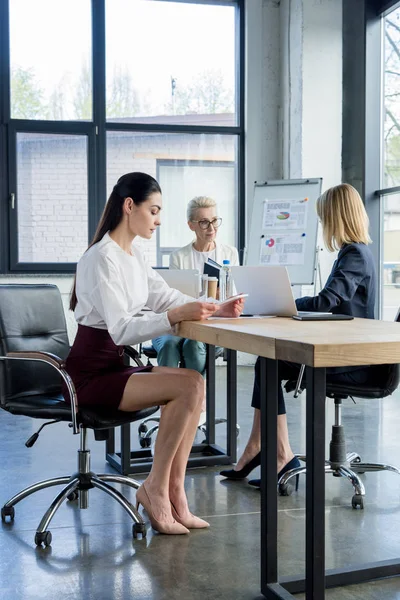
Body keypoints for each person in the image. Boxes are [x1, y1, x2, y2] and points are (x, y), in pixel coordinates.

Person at [66, 172, 244, 534]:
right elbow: (121, 329)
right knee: (186, 386)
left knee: (194, 383)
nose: (159, 220)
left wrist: (214, 306)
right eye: (154, 210)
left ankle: (174, 491)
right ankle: (155, 489)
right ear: (129, 206)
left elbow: (165, 296)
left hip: (116, 367)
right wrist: (176, 316)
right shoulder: (103, 258)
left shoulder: (133, 255)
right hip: (90, 377)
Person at [220, 183, 377, 488]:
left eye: (323, 218)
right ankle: (260, 447)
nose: (322, 225)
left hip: (355, 361)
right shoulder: (353, 252)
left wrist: (285, 304)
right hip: (344, 349)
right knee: (267, 361)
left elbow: (327, 301)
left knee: (269, 363)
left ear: (336, 217)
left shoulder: (355, 253)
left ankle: (278, 453)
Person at [152, 196, 239, 381]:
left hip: (209, 325)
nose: (211, 228)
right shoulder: (179, 257)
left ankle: (195, 398)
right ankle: (167, 398)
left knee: (193, 346)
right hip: (179, 323)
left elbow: (230, 296)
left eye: (214, 221)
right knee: (168, 345)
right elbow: (172, 299)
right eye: (204, 222)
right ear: (191, 225)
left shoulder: (229, 253)